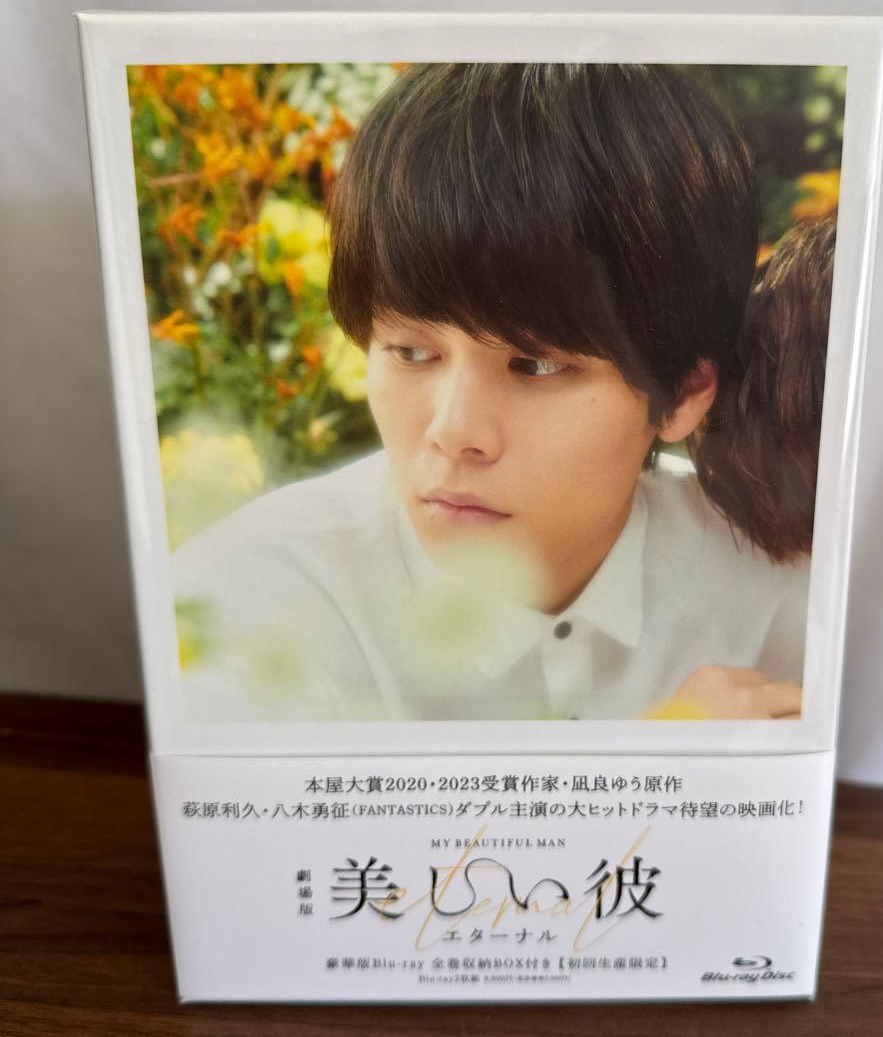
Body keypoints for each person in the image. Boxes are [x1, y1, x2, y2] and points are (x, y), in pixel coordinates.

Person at [172, 63, 827, 723]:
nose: (453, 433)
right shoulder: (246, 604)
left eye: (535, 366)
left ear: (684, 392)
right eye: (411, 353)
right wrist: (661, 758)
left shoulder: (779, 586)